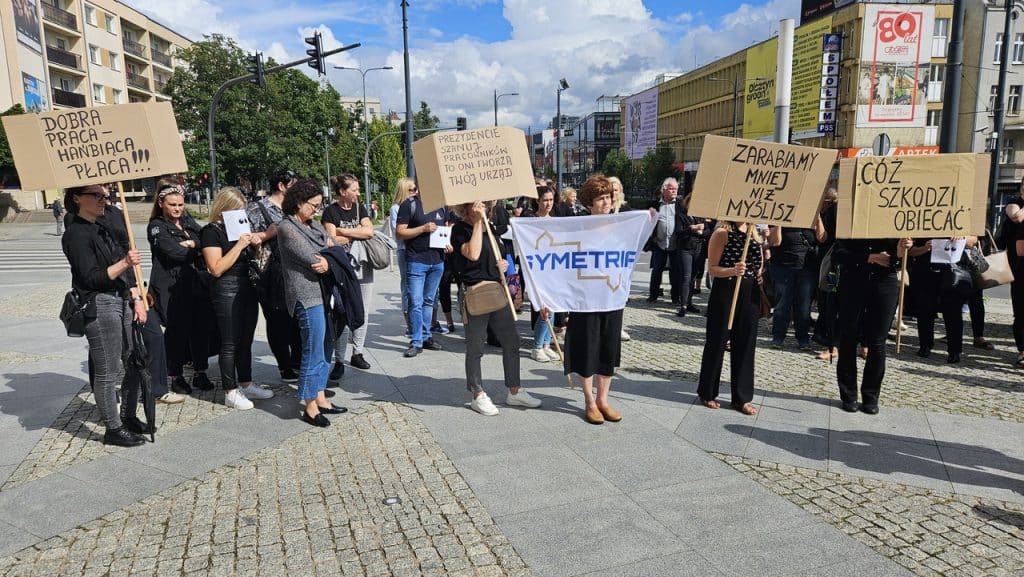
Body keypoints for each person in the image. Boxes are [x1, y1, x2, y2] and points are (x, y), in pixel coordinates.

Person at [552, 174, 646, 424]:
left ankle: (604, 399)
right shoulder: (579, 229)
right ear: (589, 204)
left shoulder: (621, 227)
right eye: (601, 199)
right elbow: (562, 265)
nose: (606, 202)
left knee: (608, 349)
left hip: (612, 298)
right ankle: (589, 400)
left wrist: (648, 218)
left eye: (608, 197)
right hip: (585, 300)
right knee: (586, 349)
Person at [62, 184, 148, 447]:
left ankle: (128, 415)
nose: (103, 200)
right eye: (96, 196)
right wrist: (125, 262)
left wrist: (134, 295)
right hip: (99, 304)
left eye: (105, 196)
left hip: (120, 299)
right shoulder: (75, 233)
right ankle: (113, 428)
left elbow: (120, 273)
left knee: (132, 361)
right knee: (108, 370)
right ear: (77, 198)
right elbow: (90, 277)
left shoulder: (103, 226)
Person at [451, 200, 542, 416]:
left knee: (511, 341)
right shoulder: (460, 230)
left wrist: (501, 263)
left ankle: (514, 390)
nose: (487, 208)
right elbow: (472, 254)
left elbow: (495, 256)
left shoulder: (490, 228)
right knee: (476, 346)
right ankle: (477, 393)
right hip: (475, 292)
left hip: (497, 290)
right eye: (480, 206)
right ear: (468, 208)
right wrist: (475, 223)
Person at [278, 179, 345, 427]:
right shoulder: (287, 227)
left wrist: (329, 257)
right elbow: (312, 257)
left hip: (323, 294)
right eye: (313, 206)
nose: (317, 210)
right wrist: (328, 256)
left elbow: (333, 246)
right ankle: (309, 405)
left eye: (319, 206)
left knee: (326, 346)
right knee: (313, 349)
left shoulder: (311, 224)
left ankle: (320, 395)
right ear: (298, 202)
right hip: (305, 296)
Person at [201, 187, 274, 410]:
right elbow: (216, 268)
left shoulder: (240, 229)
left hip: (247, 286)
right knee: (230, 341)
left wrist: (257, 247)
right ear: (223, 209)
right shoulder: (211, 232)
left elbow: (253, 259)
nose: (240, 215)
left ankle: (246, 382)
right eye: (236, 210)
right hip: (226, 288)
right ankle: (230, 390)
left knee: (246, 339)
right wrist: (240, 245)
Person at [147, 179, 212, 396]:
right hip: (170, 286)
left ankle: (200, 371)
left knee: (200, 329)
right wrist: (195, 248)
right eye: (172, 205)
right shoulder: (156, 226)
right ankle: (175, 376)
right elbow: (172, 253)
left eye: (180, 204)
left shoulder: (186, 220)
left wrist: (192, 244)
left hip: (194, 282)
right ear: (162, 203)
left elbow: (205, 238)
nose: (177, 209)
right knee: (177, 332)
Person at [834, 236, 912, 414]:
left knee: (878, 342)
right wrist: (869, 257)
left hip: (885, 282)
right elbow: (838, 254)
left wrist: (902, 250)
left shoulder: (894, 221)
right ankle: (849, 395)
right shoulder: (849, 218)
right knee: (849, 337)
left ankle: (871, 397)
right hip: (853, 280)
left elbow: (899, 261)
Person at [697, 222, 763, 416]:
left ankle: (741, 398)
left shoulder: (755, 233)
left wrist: (759, 273)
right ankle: (707, 392)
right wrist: (733, 270)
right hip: (726, 293)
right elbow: (713, 269)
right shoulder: (722, 233)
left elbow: (759, 263)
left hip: (750, 293)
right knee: (717, 342)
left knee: (745, 344)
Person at [247, 169, 302, 384]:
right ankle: (285, 366)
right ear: (282, 186)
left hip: (294, 271)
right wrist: (266, 235)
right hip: (269, 274)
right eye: (294, 185)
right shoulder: (256, 209)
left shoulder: (294, 208)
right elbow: (244, 239)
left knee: (297, 318)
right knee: (277, 321)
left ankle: (298, 362)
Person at [322, 174, 374, 374]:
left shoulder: (360, 208)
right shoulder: (330, 212)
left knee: (363, 311)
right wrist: (355, 232)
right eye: (355, 190)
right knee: (342, 312)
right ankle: (339, 360)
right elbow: (332, 240)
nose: (358, 193)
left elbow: (369, 232)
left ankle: (357, 353)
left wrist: (343, 231)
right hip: (342, 268)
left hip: (363, 266)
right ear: (343, 192)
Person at [396, 185, 450, 357]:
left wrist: (449, 244)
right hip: (416, 261)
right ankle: (416, 341)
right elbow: (400, 232)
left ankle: (426, 337)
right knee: (415, 302)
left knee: (429, 301)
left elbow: (446, 229)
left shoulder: (441, 206)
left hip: (437, 262)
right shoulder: (409, 204)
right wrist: (422, 229)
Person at [909, 236, 979, 363]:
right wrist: (924, 248)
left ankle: (954, 350)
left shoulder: (960, 219)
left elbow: (973, 241)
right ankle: (925, 345)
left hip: (953, 271)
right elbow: (910, 250)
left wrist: (962, 237)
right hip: (925, 271)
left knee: (953, 312)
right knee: (925, 310)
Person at [767, 216, 825, 349]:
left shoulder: (810, 218)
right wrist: (779, 222)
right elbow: (774, 242)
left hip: (807, 268)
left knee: (804, 306)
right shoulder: (781, 214)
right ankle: (778, 337)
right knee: (782, 304)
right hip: (783, 266)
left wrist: (818, 218)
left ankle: (803, 338)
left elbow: (822, 238)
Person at [525, 187, 562, 362]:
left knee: (552, 307)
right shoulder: (531, 220)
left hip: (553, 269)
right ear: (538, 201)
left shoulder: (555, 220)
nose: (548, 203)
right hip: (538, 270)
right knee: (544, 309)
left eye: (551, 200)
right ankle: (537, 346)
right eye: (545, 200)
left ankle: (547, 344)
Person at [389, 178, 418, 336]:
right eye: (412, 190)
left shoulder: (416, 205)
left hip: (419, 250)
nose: (415, 192)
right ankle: (410, 324)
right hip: (405, 250)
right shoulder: (396, 208)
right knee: (408, 286)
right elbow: (398, 233)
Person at [647, 178, 681, 304]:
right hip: (659, 244)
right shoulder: (655, 204)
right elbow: (647, 223)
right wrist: (652, 236)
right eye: (672, 188)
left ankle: (675, 297)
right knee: (657, 270)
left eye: (676, 189)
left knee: (675, 272)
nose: (674, 191)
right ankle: (653, 295)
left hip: (675, 244)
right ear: (664, 189)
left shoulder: (680, 204)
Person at [672, 193, 705, 317]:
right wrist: (691, 229)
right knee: (686, 276)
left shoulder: (699, 217)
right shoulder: (681, 216)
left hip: (698, 248)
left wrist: (701, 231)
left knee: (693, 276)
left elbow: (708, 231)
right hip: (685, 249)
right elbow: (679, 232)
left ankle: (689, 302)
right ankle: (683, 305)